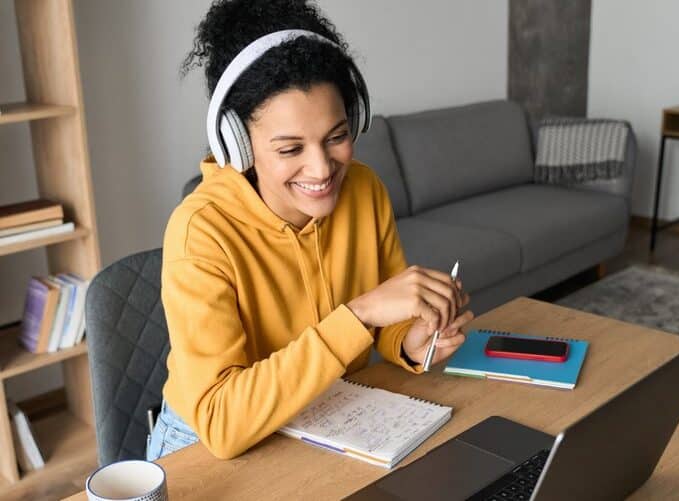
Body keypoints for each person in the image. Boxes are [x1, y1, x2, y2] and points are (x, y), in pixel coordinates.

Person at [147, 0, 472, 461]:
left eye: (336, 137)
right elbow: (221, 420)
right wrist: (357, 316)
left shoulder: (364, 189)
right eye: (290, 148)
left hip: (326, 415)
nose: (322, 168)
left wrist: (411, 341)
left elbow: (387, 317)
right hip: (204, 447)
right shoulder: (200, 233)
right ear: (237, 144)